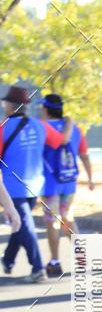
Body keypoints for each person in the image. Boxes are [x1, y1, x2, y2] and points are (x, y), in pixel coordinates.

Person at [1, 86, 73, 282]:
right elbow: (62, 140)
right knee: (22, 223)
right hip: (35, 185)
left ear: (9, 105)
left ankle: (37, 269)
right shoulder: (40, 125)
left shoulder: (2, 128)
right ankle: (7, 259)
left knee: (24, 224)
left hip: (12, 188)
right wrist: (69, 123)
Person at [40, 93, 94, 278]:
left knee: (52, 222)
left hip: (50, 183)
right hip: (70, 182)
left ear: (46, 109)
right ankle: (82, 258)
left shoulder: (43, 128)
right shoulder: (76, 129)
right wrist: (90, 178)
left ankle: (55, 261)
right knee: (67, 218)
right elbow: (84, 155)